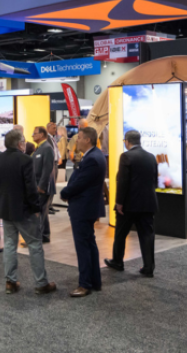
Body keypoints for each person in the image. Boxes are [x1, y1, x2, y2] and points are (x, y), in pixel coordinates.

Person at [0, 129, 56, 295]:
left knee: (10, 244)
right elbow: (31, 188)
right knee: (35, 245)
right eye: (24, 141)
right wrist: (36, 208)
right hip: (25, 211)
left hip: (5, 210)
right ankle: (41, 283)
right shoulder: (25, 160)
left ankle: (10, 282)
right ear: (19, 144)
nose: (25, 144)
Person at [105, 130, 159, 278]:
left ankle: (117, 261)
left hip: (129, 205)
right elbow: (155, 180)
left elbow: (123, 182)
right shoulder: (151, 157)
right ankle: (148, 267)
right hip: (148, 203)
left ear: (127, 141)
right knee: (147, 236)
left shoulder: (126, 156)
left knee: (121, 234)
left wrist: (119, 203)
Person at [60, 127, 106, 298]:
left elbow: (81, 182)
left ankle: (85, 284)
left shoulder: (92, 158)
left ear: (87, 140)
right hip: (87, 206)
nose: (76, 140)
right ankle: (94, 281)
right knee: (89, 244)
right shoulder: (94, 155)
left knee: (83, 247)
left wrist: (65, 193)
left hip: (84, 207)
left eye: (79, 137)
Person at [32, 126, 55, 243]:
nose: (32, 135)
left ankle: (41, 236)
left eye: (34, 133)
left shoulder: (47, 148)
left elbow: (47, 169)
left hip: (43, 187)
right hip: (39, 185)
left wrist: (41, 186)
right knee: (42, 211)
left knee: (40, 211)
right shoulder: (39, 148)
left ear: (41, 135)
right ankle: (44, 235)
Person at [46, 122, 61, 215]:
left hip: (55, 163)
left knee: (53, 185)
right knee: (50, 185)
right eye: (53, 128)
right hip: (51, 164)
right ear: (48, 128)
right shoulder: (47, 138)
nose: (55, 130)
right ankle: (47, 207)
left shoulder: (52, 138)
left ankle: (50, 205)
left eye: (55, 128)